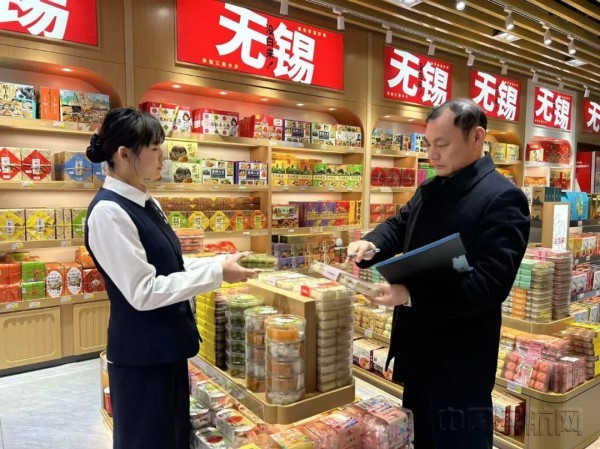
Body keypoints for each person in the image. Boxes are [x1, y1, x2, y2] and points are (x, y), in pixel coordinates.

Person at [348, 99, 530, 449]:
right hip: (418, 351)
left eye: (442, 145)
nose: (432, 155)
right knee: (422, 437)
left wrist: (411, 295)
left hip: (460, 360)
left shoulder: (503, 198)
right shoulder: (432, 187)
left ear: (476, 137)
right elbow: (400, 224)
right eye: (428, 144)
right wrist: (371, 244)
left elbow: (489, 285)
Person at [84, 108, 255, 449]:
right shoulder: (108, 212)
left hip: (167, 349)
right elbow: (144, 291)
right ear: (124, 154)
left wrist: (219, 262)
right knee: (147, 440)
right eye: (154, 148)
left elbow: (171, 264)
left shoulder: (146, 202)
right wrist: (217, 273)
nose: (164, 156)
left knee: (173, 437)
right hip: (142, 358)